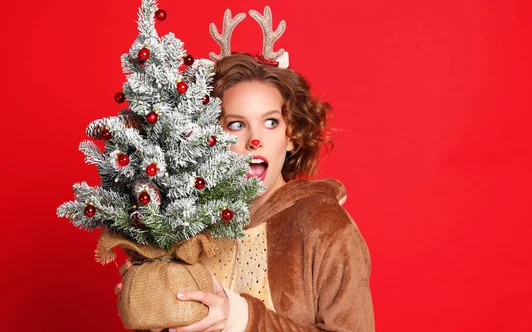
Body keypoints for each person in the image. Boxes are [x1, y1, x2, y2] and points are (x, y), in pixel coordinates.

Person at [116, 8, 374, 332]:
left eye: (270, 122)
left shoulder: (324, 226)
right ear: (211, 138)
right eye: (236, 125)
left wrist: (240, 318)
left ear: (291, 136)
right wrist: (153, 303)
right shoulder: (191, 226)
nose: (254, 140)